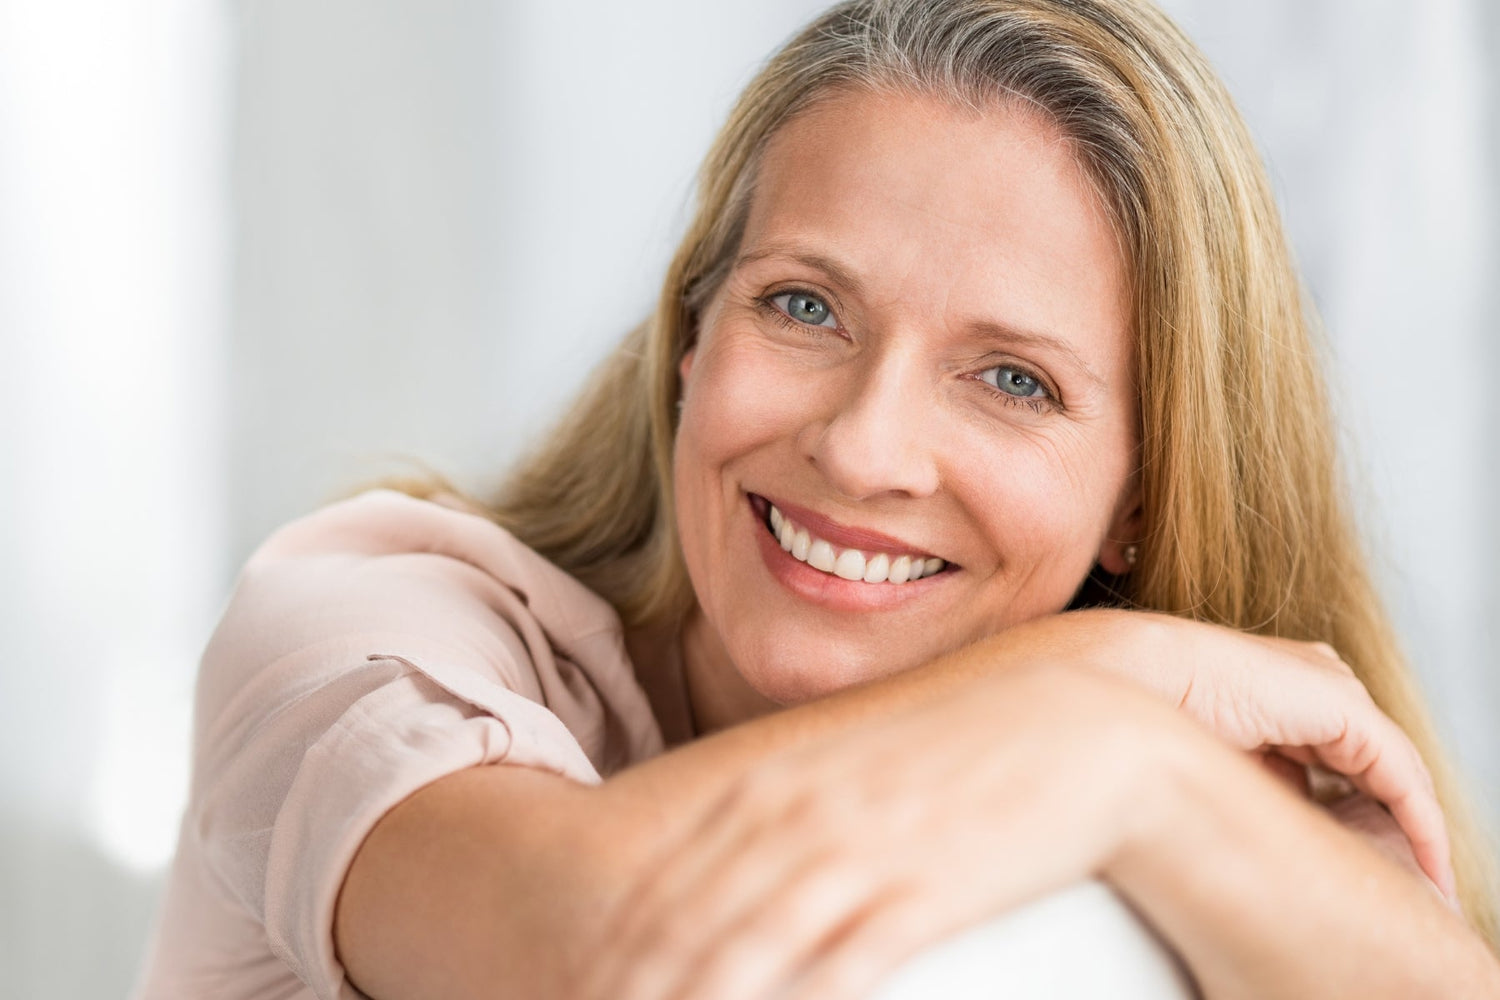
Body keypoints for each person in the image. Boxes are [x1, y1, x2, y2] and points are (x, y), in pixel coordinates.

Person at [132, 0, 1500, 997]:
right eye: (804, 306)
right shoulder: (364, 633)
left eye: (1013, 381)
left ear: (1144, 497)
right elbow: (611, 957)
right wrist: (1099, 720)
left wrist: (1125, 762)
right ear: (691, 338)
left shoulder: (1174, 757)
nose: (862, 449)